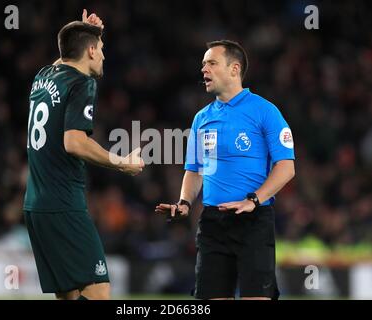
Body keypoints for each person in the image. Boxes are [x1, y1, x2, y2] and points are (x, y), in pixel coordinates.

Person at [156, 40, 295, 300]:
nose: (204, 69)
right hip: (212, 224)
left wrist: (254, 200)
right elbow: (195, 170)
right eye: (203, 64)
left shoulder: (265, 111)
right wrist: (184, 202)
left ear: (234, 69)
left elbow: (286, 167)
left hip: (254, 221)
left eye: (211, 63)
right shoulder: (202, 117)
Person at [23, 10, 144, 300]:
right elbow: (74, 142)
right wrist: (121, 162)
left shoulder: (44, 76)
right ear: (90, 51)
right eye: (100, 49)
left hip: (35, 205)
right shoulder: (82, 83)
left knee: (69, 295)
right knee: (99, 290)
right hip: (64, 203)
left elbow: (64, 57)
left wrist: (85, 32)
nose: (103, 56)